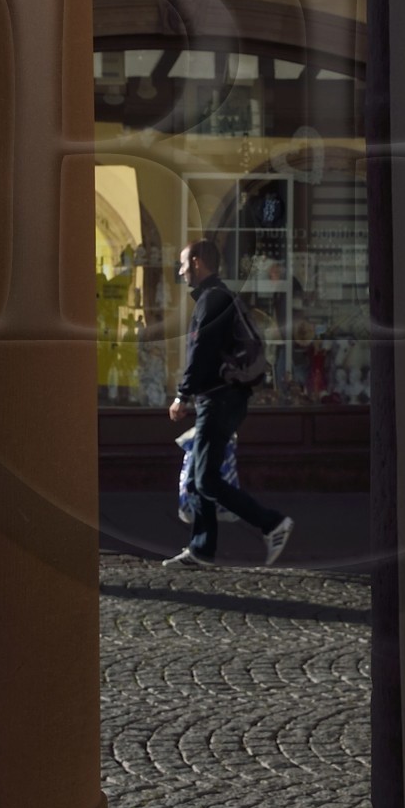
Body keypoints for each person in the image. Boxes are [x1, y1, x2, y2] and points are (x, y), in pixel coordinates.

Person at [167, 236, 293, 571]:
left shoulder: (212, 300)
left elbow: (201, 353)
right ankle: (202, 549)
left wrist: (182, 395)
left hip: (219, 399)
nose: (180, 271)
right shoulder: (219, 297)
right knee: (200, 475)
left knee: (206, 479)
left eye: (183, 264)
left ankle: (272, 523)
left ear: (197, 263)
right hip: (223, 397)